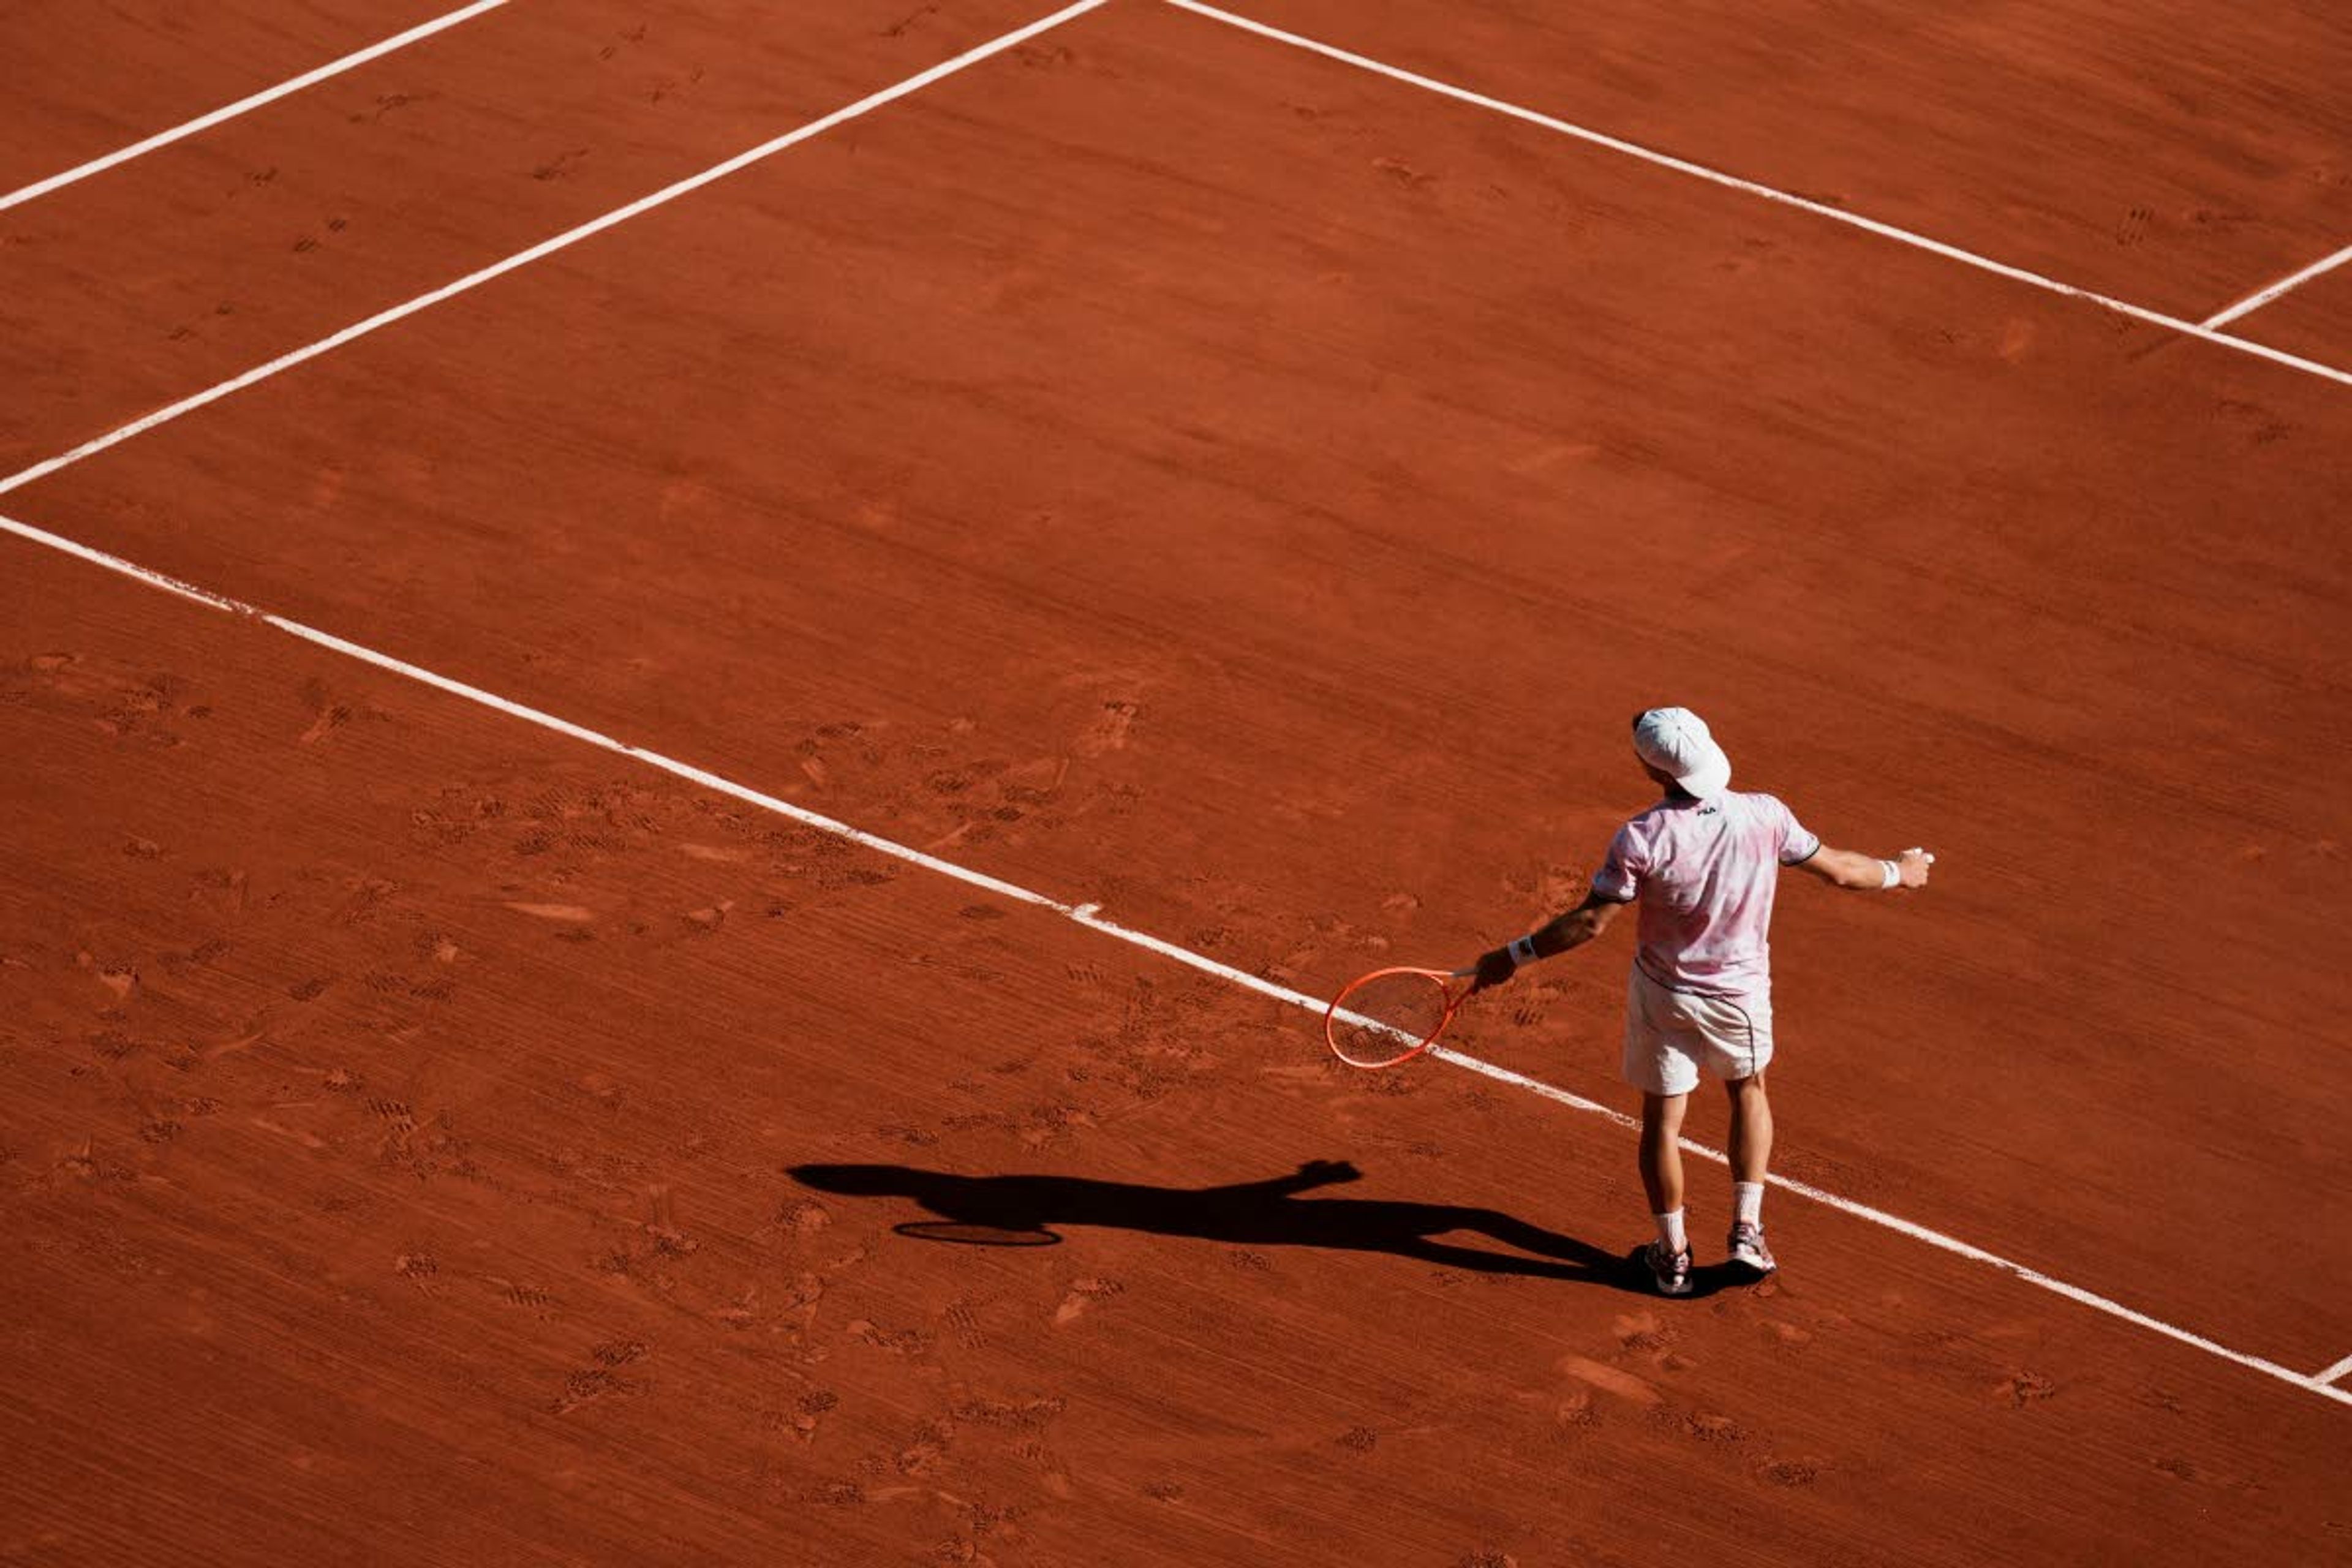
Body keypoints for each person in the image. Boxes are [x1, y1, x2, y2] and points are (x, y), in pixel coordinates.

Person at [1468, 707, 1932, 1297]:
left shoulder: (1643, 836)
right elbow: (1841, 871)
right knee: (1749, 1092)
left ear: (1650, 769)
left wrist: (1510, 957)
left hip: (1663, 996)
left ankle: (1670, 1256)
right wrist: (1901, 872)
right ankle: (1746, 1230)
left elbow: (1589, 924)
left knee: (1663, 1122)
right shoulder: (1765, 815)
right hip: (1739, 997)